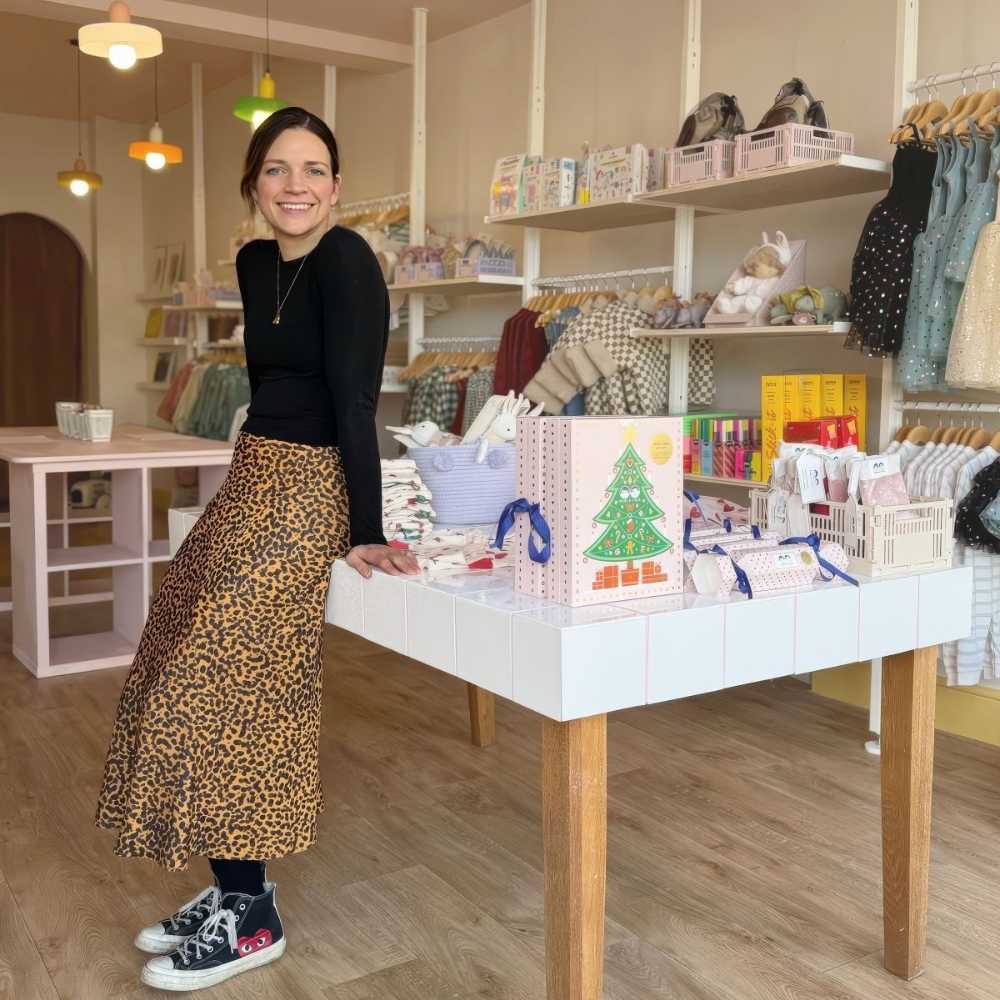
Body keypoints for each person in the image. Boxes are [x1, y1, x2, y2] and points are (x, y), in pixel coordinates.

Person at [94, 106, 420, 992]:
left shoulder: (349, 261)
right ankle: (238, 888)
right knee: (170, 645)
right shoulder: (249, 262)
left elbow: (355, 403)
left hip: (314, 483)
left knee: (224, 680)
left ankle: (253, 922)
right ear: (254, 182)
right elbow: (272, 386)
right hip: (253, 475)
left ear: (337, 186)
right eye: (277, 169)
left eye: (314, 170)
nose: (296, 186)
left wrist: (363, 530)